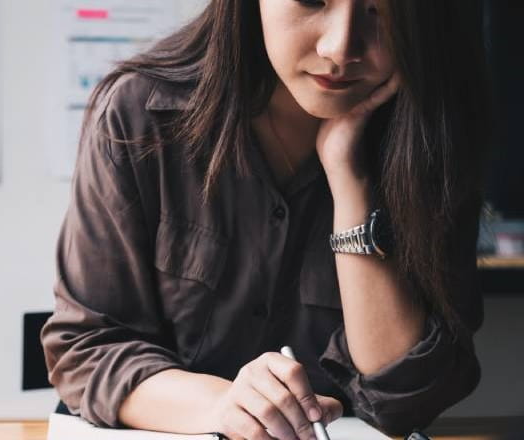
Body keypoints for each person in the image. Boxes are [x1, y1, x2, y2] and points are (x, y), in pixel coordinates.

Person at [41, 0, 491, 439]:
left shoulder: (436, 135)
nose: (340, 48)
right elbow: (86, 349)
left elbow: (408, 397)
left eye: (382, 10)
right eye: (312, 1)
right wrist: (225, 405)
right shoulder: (140, 114)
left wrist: (347, 177)